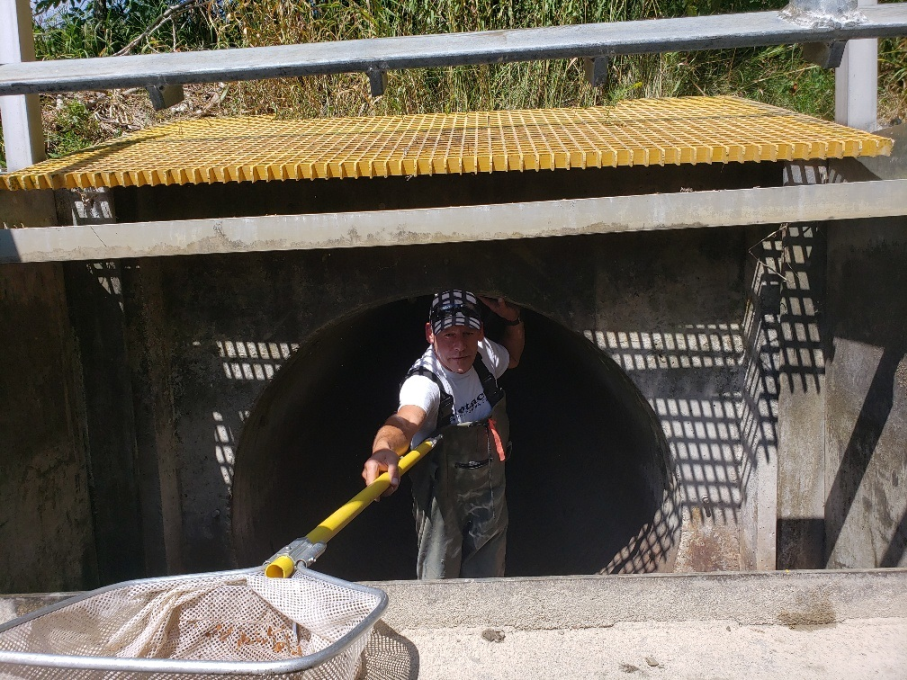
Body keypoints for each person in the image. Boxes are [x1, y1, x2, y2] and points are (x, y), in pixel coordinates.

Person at [362, 289, 525, 579]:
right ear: (430, 334)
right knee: (439, 576)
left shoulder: (485, 354)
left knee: (489, 574)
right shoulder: (424, 382)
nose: (459, 345)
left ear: (480, 332)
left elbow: (512, 357)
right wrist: (384, 449)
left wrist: (514, 321)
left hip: (489, 490)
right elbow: (406, 419)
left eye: (467, 332)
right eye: (448, 334)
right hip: (440, 499)